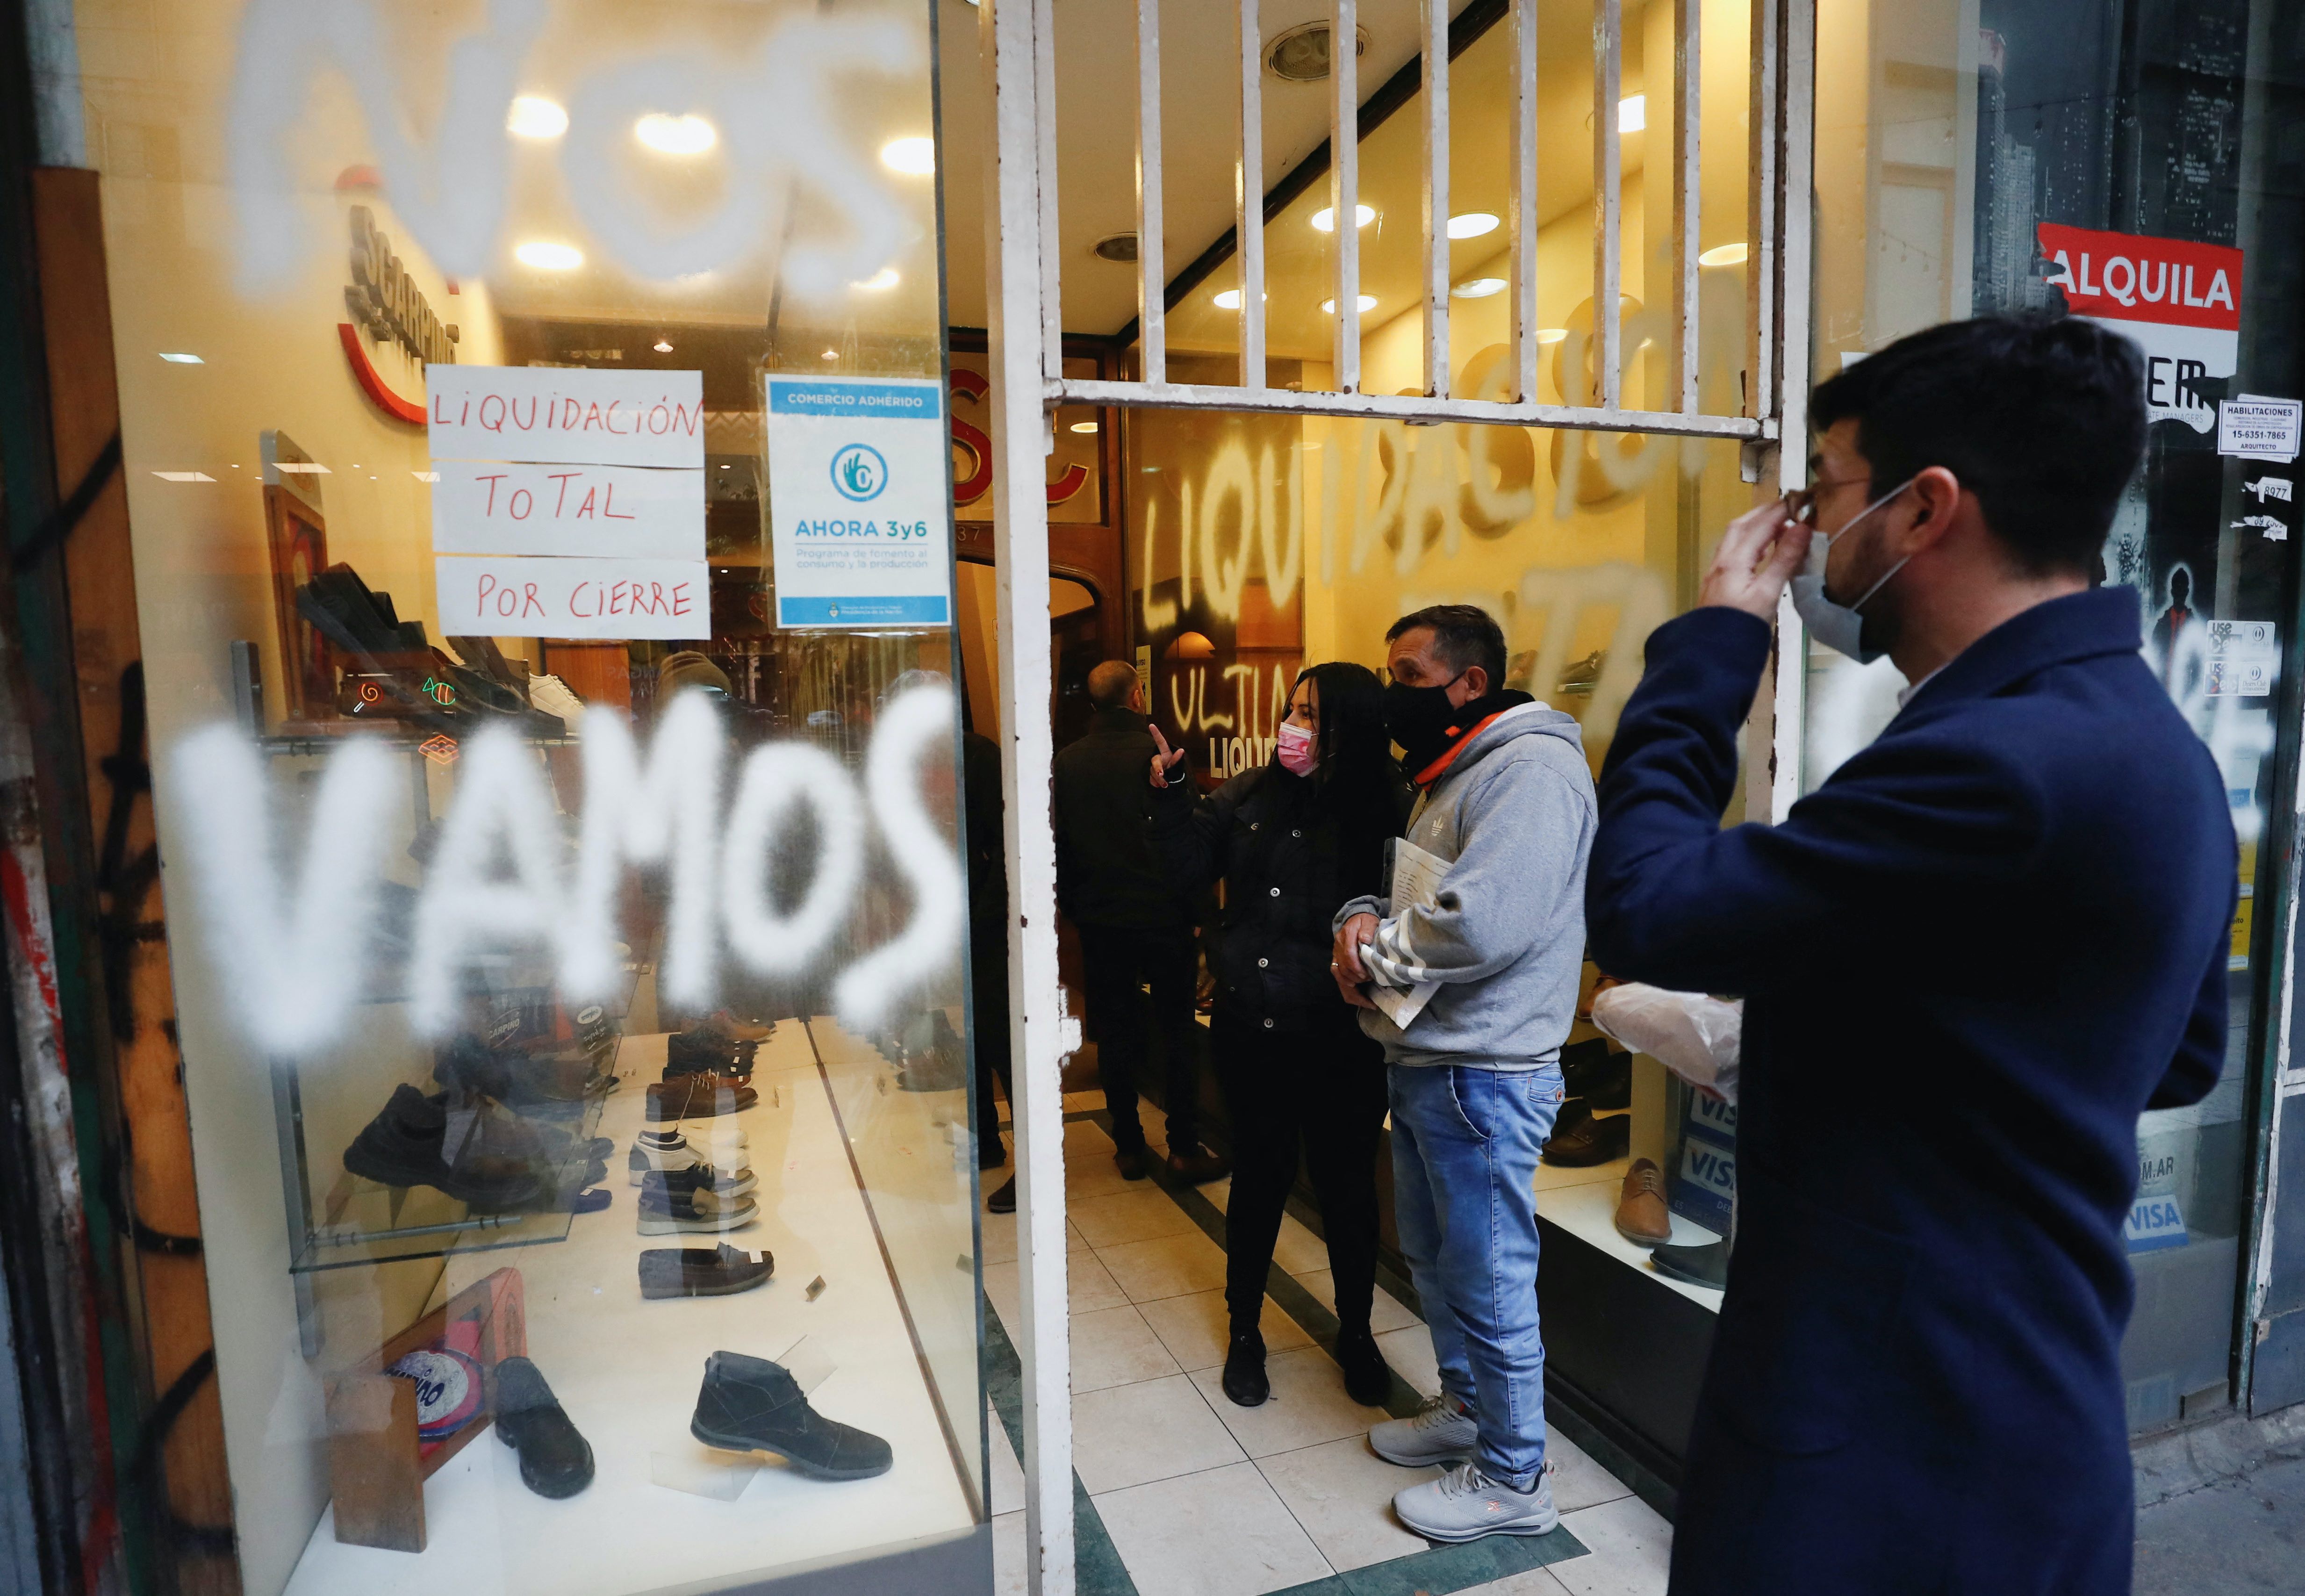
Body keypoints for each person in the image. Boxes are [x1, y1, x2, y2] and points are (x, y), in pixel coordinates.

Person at [1585, 314, 2232, 1595]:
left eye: (1825, 491)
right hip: (2023, 1420)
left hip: (1891, 1455)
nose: (1814, 538)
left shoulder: (1995, 761)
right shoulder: (2149, 739)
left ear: (1926, 506)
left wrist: (1719, 634)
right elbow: (2176, 1051)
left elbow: (1650, 904)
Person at [1328, 604, 1596, 1544]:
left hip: (1484, 1073)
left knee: (1487, 1279)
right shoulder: (1457, 770)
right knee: (1440, 1264)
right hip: (1433, 1064)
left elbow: (1478, 923)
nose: (1392, 694)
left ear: (1469, 682)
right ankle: (1469, 1413)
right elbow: (1415, 891)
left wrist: (1366, 961)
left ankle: (1514, 1478)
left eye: (1407, 676)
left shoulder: (1529, 771)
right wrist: (1356, 920)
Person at [1146, 662, 1410, 1408]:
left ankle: (1354, 1332)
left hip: (1341, 1034)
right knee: (1257, 1181)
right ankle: (1244, 1332)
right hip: (1249, 1026)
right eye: (1292, 710)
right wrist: (1169, 799)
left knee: (1346, 1190)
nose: (1294, 727)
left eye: (1313, 716)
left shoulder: (1385, 804)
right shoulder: (1251, 792)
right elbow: (1184, 868)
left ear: (1350, 726)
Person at [1053, 660, 1228, 1183]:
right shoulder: (1161, 756)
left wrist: (1072, 908)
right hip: (1163, 914)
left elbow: (1059, 843)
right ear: (1136, 697)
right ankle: (1181, 1146)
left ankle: (1127, 1144)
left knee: (1115, 1031)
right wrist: (1200, 914)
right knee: (1176, 1033)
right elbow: (1187, 839)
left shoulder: (1068, 761)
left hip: (1102, 917)